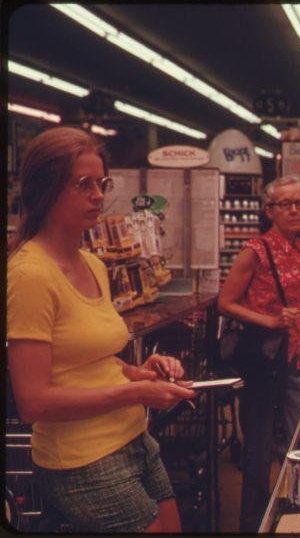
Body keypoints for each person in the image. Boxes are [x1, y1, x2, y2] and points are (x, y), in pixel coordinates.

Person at [6, 127, 197, 533]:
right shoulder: (29, 274)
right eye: (83, 184)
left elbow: (90, 360)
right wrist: (135, 393)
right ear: (45, 190)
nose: (98, 195)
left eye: (101, 183)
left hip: (133, 435)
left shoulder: (93, 264)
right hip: (81, 458)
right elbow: (33, 403)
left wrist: (138, 372)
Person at [217, 175, 300, 532]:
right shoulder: (255, 250)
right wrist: (270, 321)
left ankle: (295, 517)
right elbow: (225, 303)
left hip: (298, 357)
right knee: (258, 449)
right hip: (264, 357)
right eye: (285, 204)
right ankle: (253, 524)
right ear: (269, 210)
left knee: (298, 440)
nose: (294, 210)